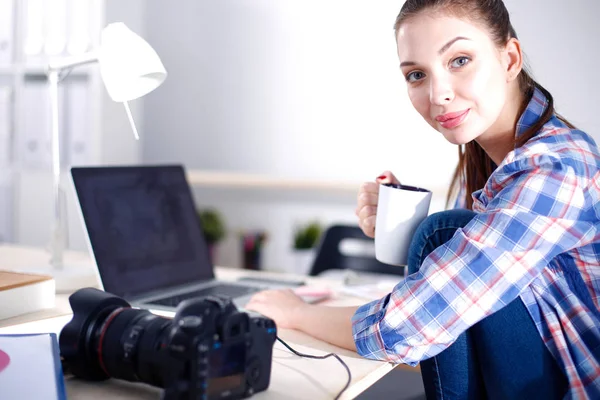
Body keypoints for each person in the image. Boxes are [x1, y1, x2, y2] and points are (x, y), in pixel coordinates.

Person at [246, 0, 600, 398]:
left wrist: (296, 313)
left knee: (443, 232)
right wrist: (401, 228)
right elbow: (482, 285)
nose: (438, 94)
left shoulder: (556, 169)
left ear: (510, 58)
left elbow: (408, 327)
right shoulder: (501, 160)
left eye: (460, 60)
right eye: (417, 74)